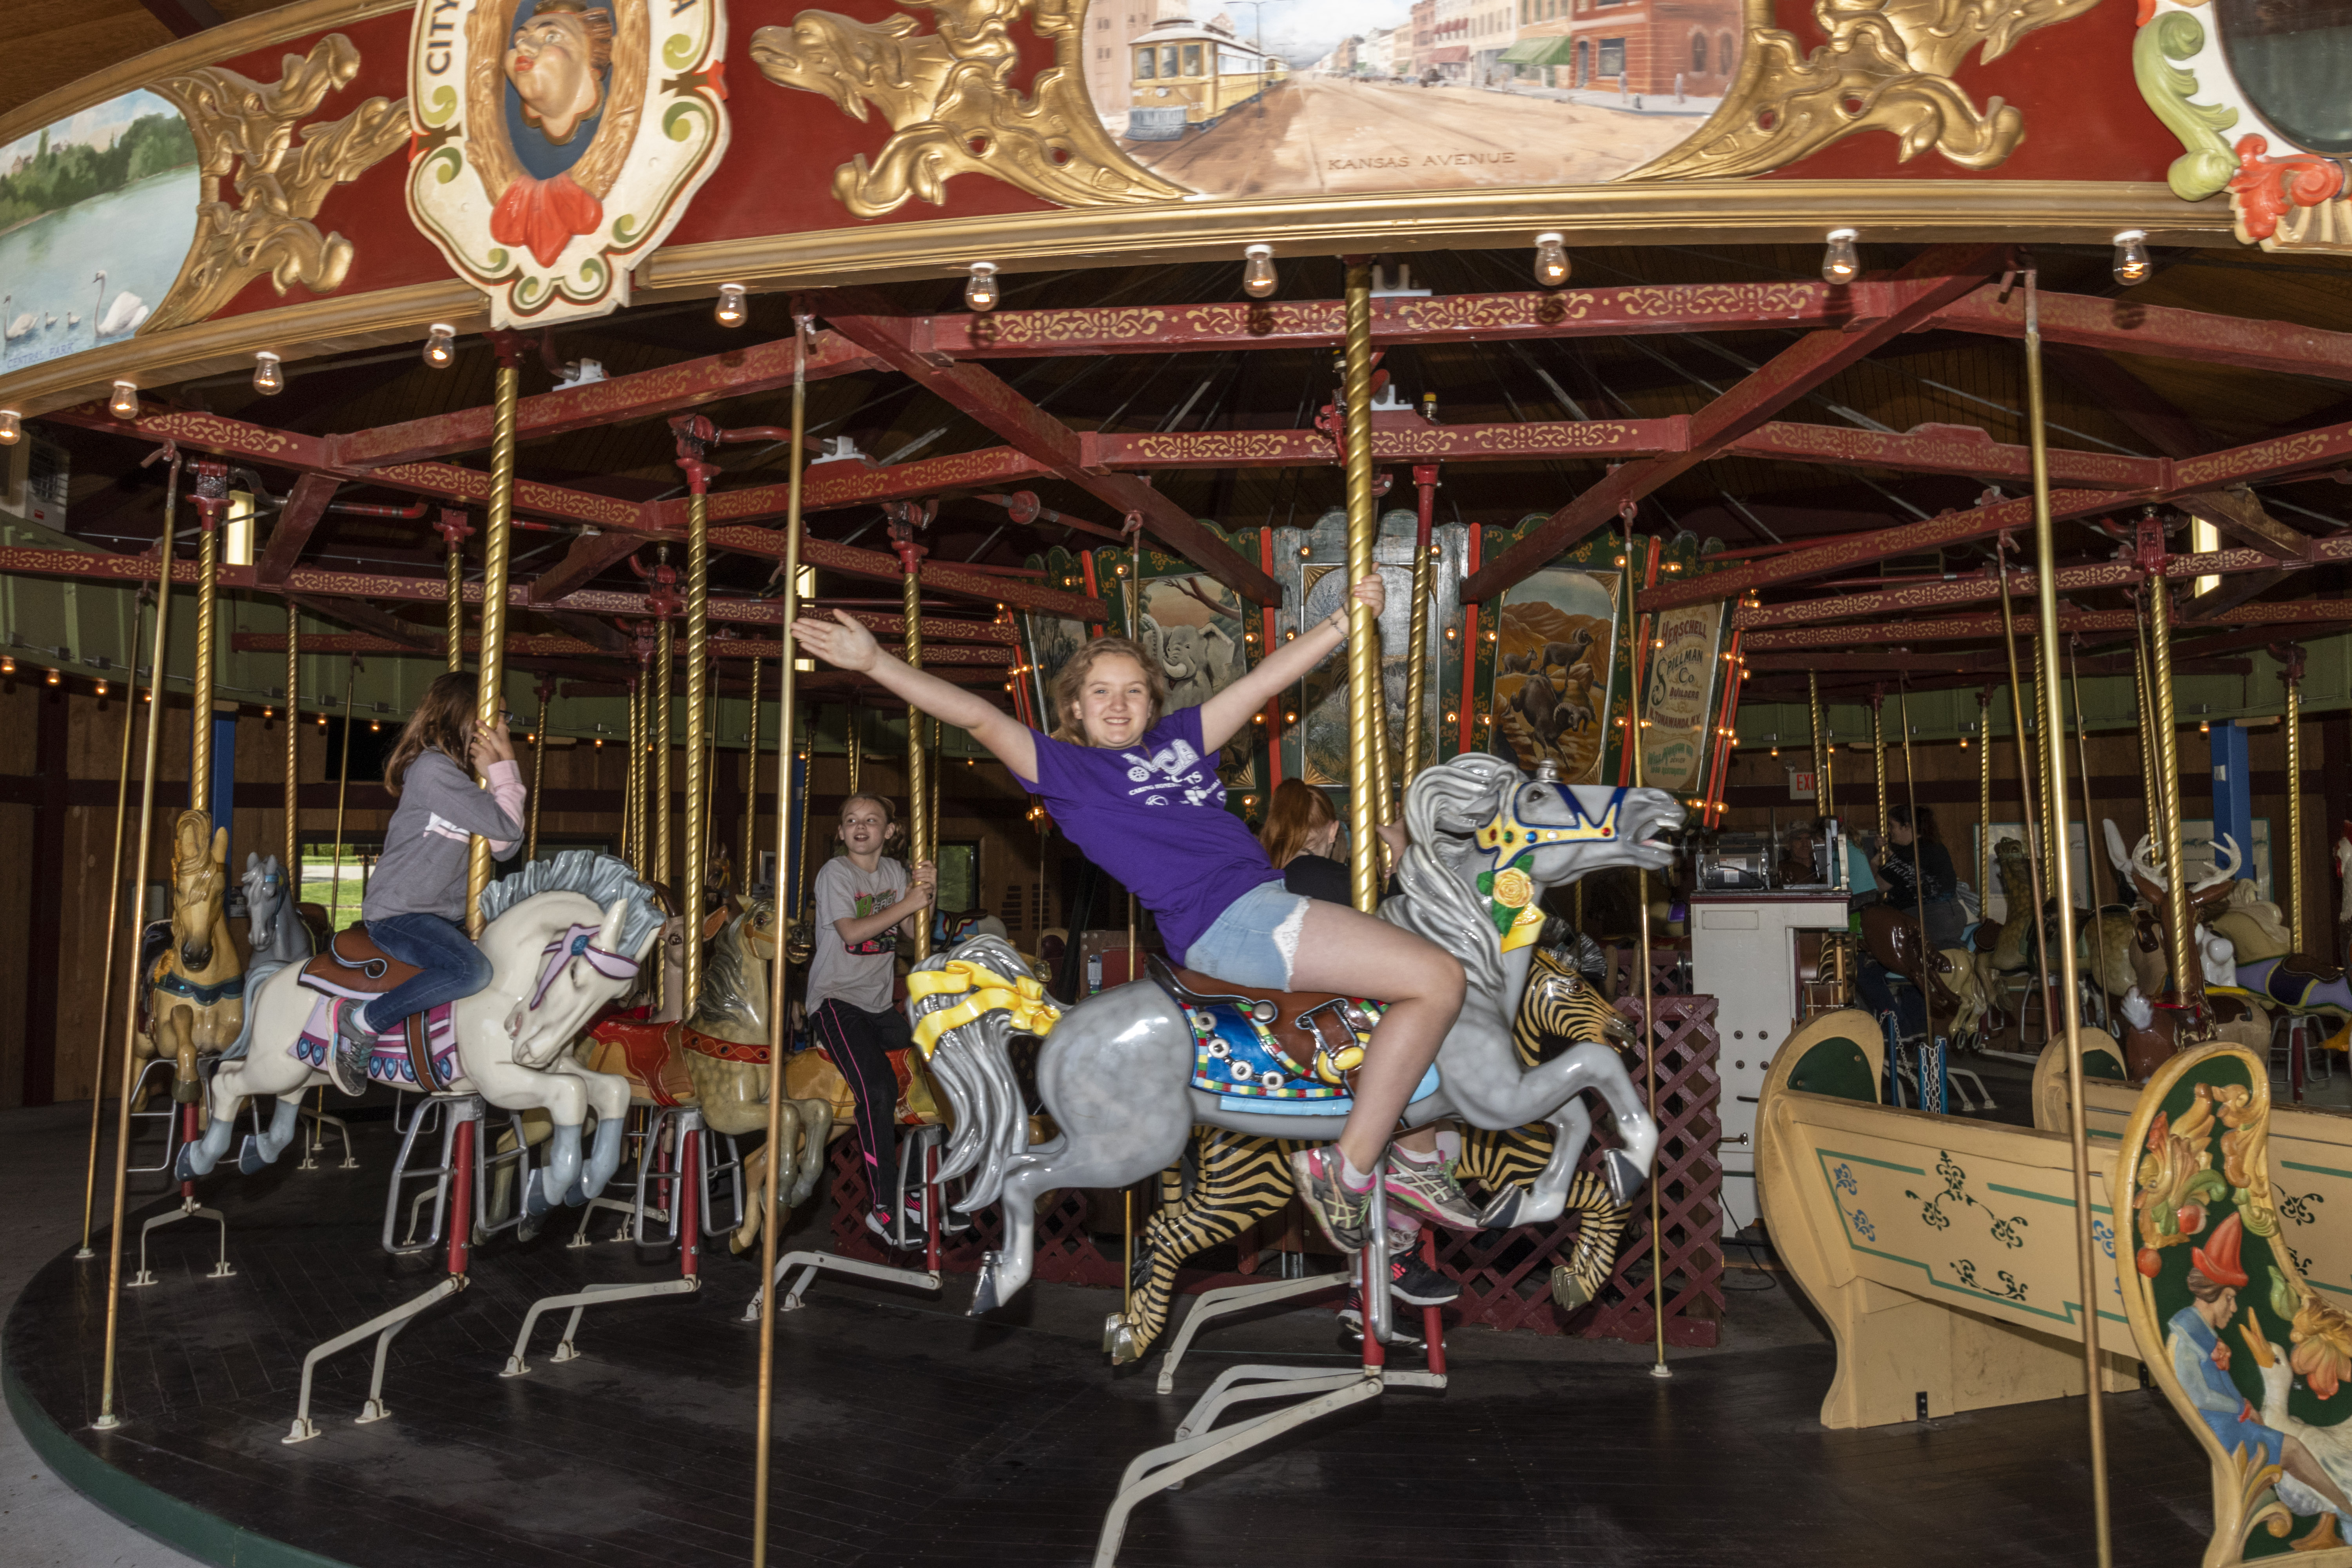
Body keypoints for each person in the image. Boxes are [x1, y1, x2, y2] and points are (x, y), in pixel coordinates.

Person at [789, 576, 1479, 1252]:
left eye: (1133, 692)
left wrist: (1342, 622)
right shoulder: (1065, 772)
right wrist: (876, 662)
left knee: (1397, 1011)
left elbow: (1263, 684)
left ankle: (1412, 1162)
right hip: (1230, 920)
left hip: (1270, 902)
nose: (1118, 706)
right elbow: (977, 716)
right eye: (1100, 694)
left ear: (1152, 703)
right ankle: (1348, 1168)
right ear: (1076, 709)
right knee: (1439, 978)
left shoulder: (1183, 738)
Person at [328, 671, 525, 1095]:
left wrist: (494, 776)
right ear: (466, 718)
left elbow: (506, 847)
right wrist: (505, 768)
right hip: (400, 912)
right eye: (499, 716)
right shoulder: (433, 770)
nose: (505, 727)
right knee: (470, 970)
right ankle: (363, 1021)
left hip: (442, 915)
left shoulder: (463, 780)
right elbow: (508, 826)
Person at [803, 791, 936, 1238]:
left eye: (872, 820)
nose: (861, 827)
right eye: (852, 820)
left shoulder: (895, 873)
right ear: (840, 832)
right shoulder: (835, 873)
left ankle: (916, 1189)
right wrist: (908, 903)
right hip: (836, 1003)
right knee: (878, 1086)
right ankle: (882, 1204)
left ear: (890, 831)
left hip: (879, 1006)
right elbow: (852, 931)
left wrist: (926, 894)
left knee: (934, 1081)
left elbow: (917, 933)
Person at [2165, 1214, 2352, 1515]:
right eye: (2230, 1299)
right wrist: (2242, 1409)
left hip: (2236, 1423)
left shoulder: (2205, 1334)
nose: (2234, 1307)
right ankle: (2347, 1508)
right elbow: (2197, 1396)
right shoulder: (2187, 1336)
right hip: (2227, 1429)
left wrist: (2245, 1407)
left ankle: (2344, 1508)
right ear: (2217, 1294)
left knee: (2292, 1446)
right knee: (2291, 1448)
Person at [1257, 777, 1404, 906]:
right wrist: (1399, 846)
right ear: (1333, 831)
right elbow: (1398, 920)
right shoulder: (1323, 876)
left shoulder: (1268, 872)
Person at [1879, 803, 1965, 948]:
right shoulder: (1935, 846)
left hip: (1931, 918)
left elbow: (1878, 887)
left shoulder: (1908, 854)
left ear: (1906, 826)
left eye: (1891, 826)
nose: (1889, 831)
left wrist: (1875, 863)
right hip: (1953, 913)